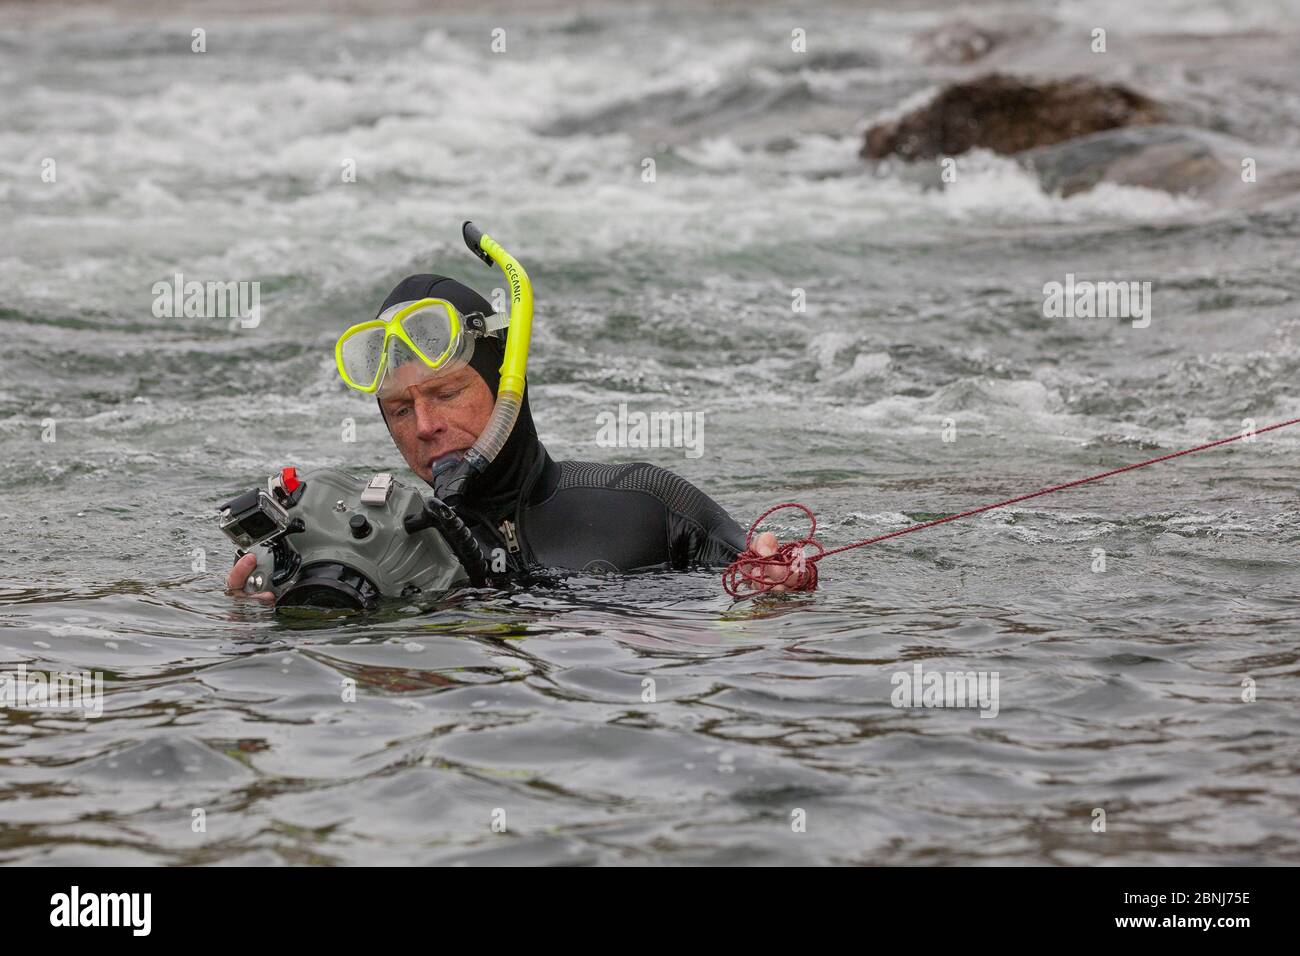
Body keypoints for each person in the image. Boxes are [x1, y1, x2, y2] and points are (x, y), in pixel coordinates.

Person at [229, 265, 807, 597]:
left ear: (510, 383)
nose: (427, 427)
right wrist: (252, 613)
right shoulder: (380, 548)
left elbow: (760, 598)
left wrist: (777, 578)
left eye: (448, 393)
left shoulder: (648, 507)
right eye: (401, 410)